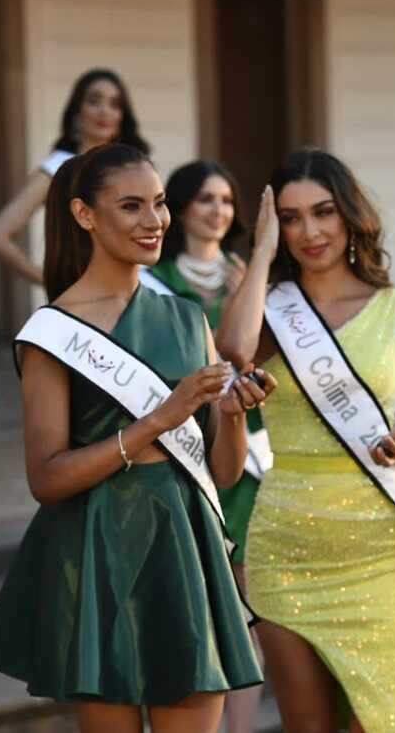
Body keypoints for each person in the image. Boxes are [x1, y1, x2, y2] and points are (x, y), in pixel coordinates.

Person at [0, 144, 267, 733]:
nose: (154, 220)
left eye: (158, 204)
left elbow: (224, 473)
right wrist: (158, 420)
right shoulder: (50, 332)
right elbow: (46, 478)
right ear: (85, 215)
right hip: (98, 549)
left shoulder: (187, 319)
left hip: (184, 544)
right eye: (131, 206)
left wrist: (231, 413)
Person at [216, 148, 395, 732]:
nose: (310, 231)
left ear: (349, 215)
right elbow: (233, 351)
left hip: (379, 549)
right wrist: (261, 252)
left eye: (322, 212)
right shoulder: (271, 312)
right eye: (290, 219)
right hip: (286, 546)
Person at [149, 159, 264, 733]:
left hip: (243, 446)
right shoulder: (156, 280)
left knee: (244, 592)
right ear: (182, 208)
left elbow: (242, 354)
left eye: (226, 200)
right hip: (177, 446)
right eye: (205, 200)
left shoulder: (247, 274)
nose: (218, 210)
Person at [0, 69, 150, 284]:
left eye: (114, 104)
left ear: (122, 116)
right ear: (76, 112)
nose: (104, 111)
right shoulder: (56, 168)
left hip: (139, 288)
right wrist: (51, 281)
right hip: (86, 297)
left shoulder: (134, 167)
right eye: (94, 101)